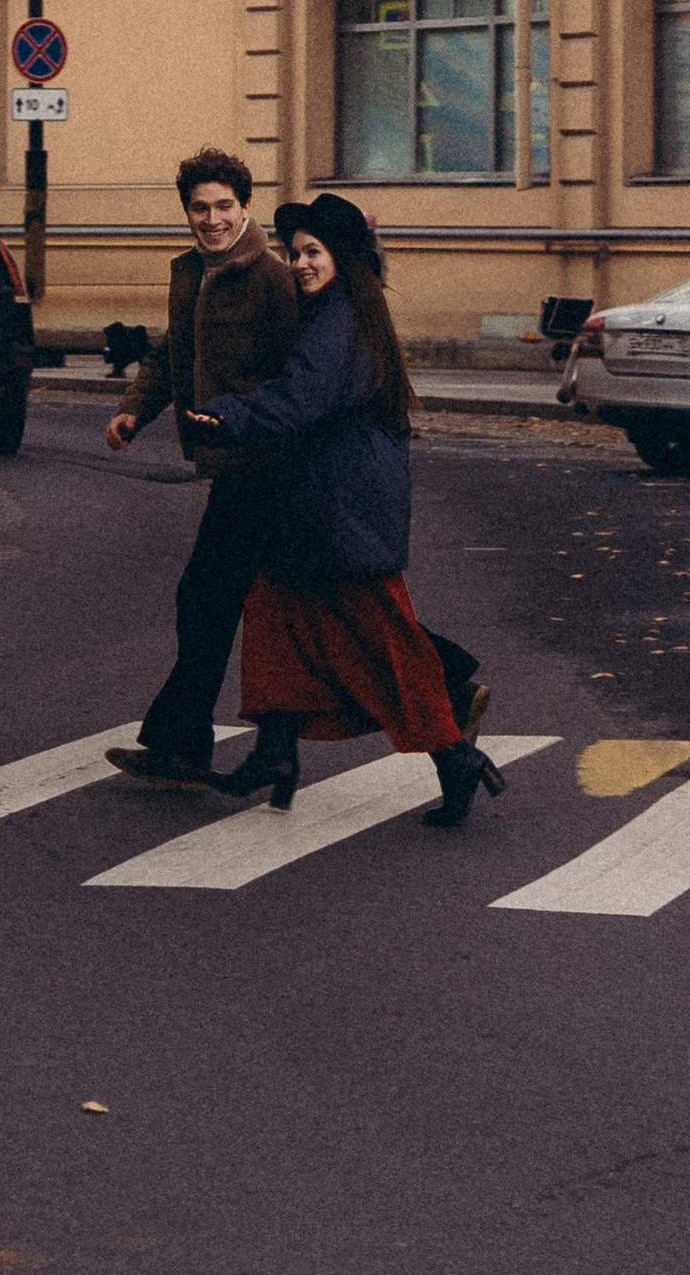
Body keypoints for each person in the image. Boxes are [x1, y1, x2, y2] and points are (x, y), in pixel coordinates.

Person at [186, 192, 504, 831]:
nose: (300, 263)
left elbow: (302, 399)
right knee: (276, 618)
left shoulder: (338, 318)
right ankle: (275, 755)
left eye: (313, 252)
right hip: (318, 503)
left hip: (343, 508)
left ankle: (455, 757)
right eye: (295, 252)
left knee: (386, 642)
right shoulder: (340, 309)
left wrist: (229, 413)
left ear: (343, 257)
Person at [101, 147, 301, 790]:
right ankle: (243, 746)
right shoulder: (191, 272)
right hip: (232, 465)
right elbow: (169, 354)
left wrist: (253, 422)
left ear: (246, 207)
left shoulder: (271, 276)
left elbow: (297, 375)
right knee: (287, 606)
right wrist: (136, 412)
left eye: (223, 207)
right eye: (199, 207)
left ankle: (183, 745)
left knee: (212, 599)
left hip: (265, 465)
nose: (211, 220)